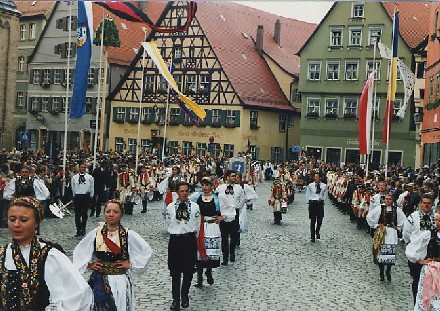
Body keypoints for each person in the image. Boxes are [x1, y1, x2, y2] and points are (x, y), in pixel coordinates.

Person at [0, 196, 93, 310]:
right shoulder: (3, 253)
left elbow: (77, 295)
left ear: (37, 222)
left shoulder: (50, 256)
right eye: (12, 219)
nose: (16, 224)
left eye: (24, 220)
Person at [73, 199, 153, 310]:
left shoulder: (128, 234)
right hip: (99, 280)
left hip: (120, 279)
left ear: (121, 214)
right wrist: (89, 265)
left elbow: (146, 251)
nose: (111, 214)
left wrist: (131, 264)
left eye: (115, 212)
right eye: (108, 211)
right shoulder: (96, 233)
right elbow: (80, 251)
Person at [166, 182, 200, 310]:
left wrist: (191, 236)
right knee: (175, 272)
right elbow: (169, 222)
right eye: (182, 191)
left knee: (188, 270)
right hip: (175, 240)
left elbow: (197, 224)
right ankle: (175, 299)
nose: (184, 193)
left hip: (189, 240)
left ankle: (184, 294)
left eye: (186, 191)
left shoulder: (195, 207)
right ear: (177, 192)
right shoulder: (170, 207)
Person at [190, 177, 223, 288]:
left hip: (212, 226)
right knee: (199, 249)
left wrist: (221, 217)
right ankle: (199, 278)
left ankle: (209, 271)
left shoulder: (217, 198)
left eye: (207, 185)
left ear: (212, 186)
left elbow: (225, 210)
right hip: (200, 226)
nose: (204, 187)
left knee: (209, 251)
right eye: (203, 185)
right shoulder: (196, 196)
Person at [403, 194, 436, 304]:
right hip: (417, 255)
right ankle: (416, 303)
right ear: (420, 204)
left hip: (431, 254)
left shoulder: (436, 218)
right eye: (424, 203)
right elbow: (406, 234)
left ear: (432, 204)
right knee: (417, 280)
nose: (426, 205)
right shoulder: (413, 217)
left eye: (429, 203)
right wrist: (414, 247)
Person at [367, 193, 405, 281]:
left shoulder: (397, 210)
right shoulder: (380, 208)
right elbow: (369, 216)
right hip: (382, 233)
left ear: (393, 200)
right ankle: (381, 272)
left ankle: (388, 270)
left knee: (390, 253)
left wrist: (398, 227)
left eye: (389, 199)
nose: (388, 201)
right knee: (381, 252)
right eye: (386, 199)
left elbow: (403, 220)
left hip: (392, 233)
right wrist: (376, 225)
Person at [406, 212, 440, 310]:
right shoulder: (429, 234)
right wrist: (419, 260)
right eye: (436, 220)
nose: (437, 223)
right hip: (432, 270)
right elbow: (412, 247)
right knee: (430, 296)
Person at [216, 170, 244, 265]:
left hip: (234, 214)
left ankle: (232, 253)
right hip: (223, 214)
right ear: (227, 177)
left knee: (233, 236)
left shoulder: (239, 189)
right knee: (224, 236)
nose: (234, 178)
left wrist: (236, 208)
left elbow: (242, 200)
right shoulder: (220, 188)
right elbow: (216, 200)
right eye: (232, 176)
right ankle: (225, 257)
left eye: (235, 176)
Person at [71, 162, 94, 237]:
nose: (83, 169)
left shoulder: (89, 177)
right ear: (79, 168)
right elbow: (73, 187)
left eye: (84, 167)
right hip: (77, 196)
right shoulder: (74, 177)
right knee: (77, 215)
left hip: (85, 196)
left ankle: (83, 229)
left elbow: (91, 187)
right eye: (81, 167)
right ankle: (78, 229)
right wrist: (74, 195)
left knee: (84, 214)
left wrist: (91, 195)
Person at [305, 172, 328, 242]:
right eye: (315, 177)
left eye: (317, 177)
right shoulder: (310, 185)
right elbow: (308, 194)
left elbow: (325, 194)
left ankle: (317, 230)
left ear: (320, 178)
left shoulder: (324, 186)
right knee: (312, 220)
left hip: (319, 203)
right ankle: (312, 236)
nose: (316, 178)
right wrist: (308, 202)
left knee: (320, 219)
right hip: (313, 203)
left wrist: (323, 201)